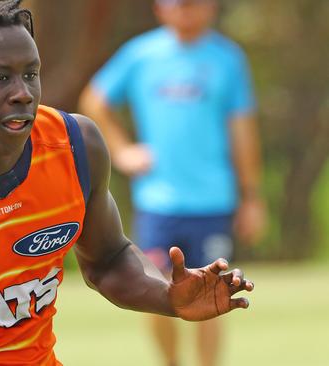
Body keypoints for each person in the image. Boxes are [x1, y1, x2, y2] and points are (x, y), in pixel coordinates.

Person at [0, 1, 254, 365]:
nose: (23, 94)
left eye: (30, 74)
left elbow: (109, 259)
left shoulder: (75, 146)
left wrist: (168, 297)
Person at [78, 0, 266, 365]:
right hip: (158, 202)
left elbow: (242, 129)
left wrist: (251, 196)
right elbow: (94, 100)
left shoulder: (228, 58)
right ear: (161, 8)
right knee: (156, 290)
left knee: (216, 293)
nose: (186, 11)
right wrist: (123, 150)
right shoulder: (141, 54)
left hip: (213, 200)